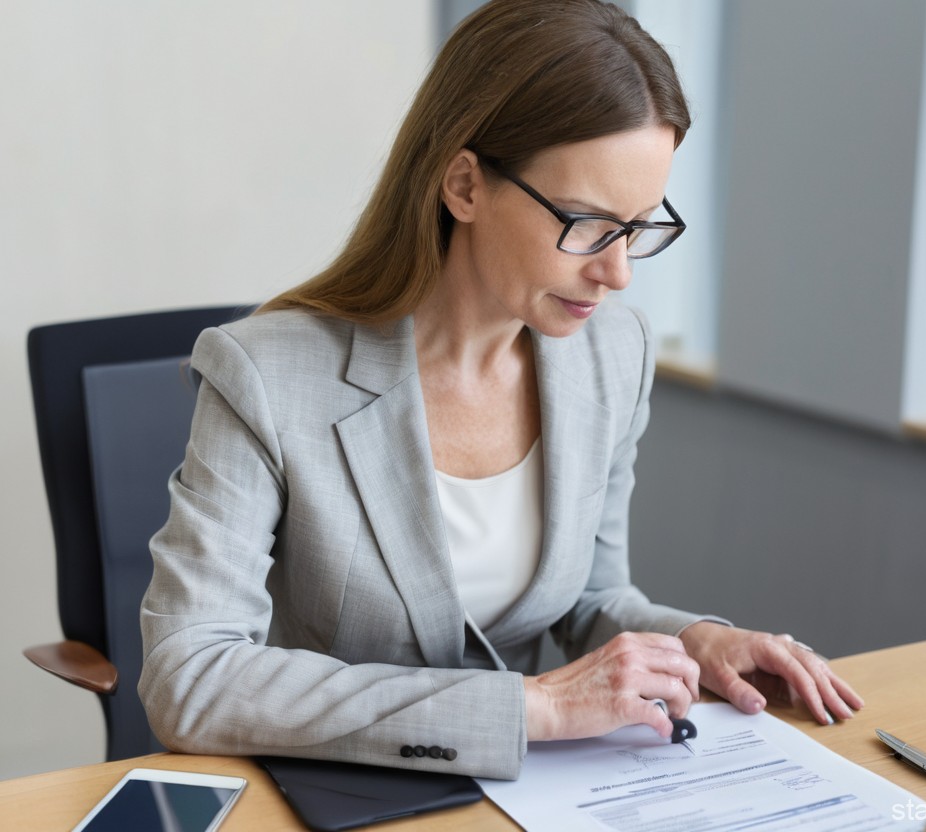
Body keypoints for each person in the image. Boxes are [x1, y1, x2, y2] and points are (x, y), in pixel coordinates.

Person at [139, 0, 863, 781]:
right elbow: (191, 678)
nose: (617, 273)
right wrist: (530, 708)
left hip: (539, 795)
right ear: (465, 185)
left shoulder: (612, 354)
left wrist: (698, 642)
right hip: (337, 790)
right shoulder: (267, 375)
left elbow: (588, 599)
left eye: (639, 226)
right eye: (585, 222)